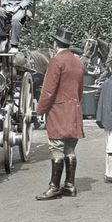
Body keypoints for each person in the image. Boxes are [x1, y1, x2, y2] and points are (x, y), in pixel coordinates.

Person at [36, 29, 85, 201]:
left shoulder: (56, 61)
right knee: (70, 148)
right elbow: (80, 91)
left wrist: (40, 110)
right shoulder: (78, 62)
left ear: (55, 44)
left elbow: (48, 91)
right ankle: (70, 186)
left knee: (56, 148)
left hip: (58, 111)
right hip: (74, 110)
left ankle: (54, 187)